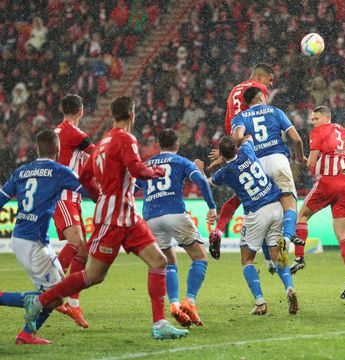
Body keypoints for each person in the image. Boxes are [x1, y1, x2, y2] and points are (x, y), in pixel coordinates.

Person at [23, 96, 188, 340]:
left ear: (112, 115)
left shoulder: (101, 144)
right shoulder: (125, 138)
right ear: (132, 115)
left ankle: (159, 324)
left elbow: (86, 176)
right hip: (113, 218)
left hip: (128, 216)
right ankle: (41, 301)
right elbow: (136, 169)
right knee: (93, 275)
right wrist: (154, 171)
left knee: (158, 261)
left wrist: (99, 195)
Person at [0, 130, 98, 344]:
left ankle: (27, 334)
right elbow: (90, 191)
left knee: (57, 290)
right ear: (58, 149)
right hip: (33, 243)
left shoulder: (21, 171)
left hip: (21, 238)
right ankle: (27, 323)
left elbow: (1, 198)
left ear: (36, 149)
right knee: (55, 296)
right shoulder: (59, 171)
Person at [206, 136, 299, 316]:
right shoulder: (247, 151)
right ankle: (289, 287)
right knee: (277, 255)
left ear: (223, 155)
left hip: (256, 212)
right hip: (275, 205)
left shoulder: (225, 171)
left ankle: (260, 302)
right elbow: (248, 137)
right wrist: (234, 144)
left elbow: (207, 182)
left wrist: (202, 169)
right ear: (235, 149)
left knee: (246, 259)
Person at [291, 106, 345, 300]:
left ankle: (299, 258)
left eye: (316, 118)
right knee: (342, 234)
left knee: (301, 216)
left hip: (329, 181)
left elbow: (311, 164)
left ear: (326, 118)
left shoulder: (319, 131)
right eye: (312, 119)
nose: (313, 122)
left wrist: (302, 159)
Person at [136, 129, 217, 327]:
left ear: (158, 146)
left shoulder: (147, 164)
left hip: (151, 216)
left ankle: (173, 303)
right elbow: (199, 181)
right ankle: (189, 300)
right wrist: (212, 206)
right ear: (177, 145)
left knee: (168, 261)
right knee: (199, 256)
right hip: (174, 211)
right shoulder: (181, 161)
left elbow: (132, 188)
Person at [208, 63, 276, 272]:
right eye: (270, 80)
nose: (270, 85)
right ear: (261, 77)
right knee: (266, 196)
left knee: (238, 197)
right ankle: (270, 259)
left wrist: (226, 150)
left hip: (234, 146)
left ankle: (218, 231)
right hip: (252, 146)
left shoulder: (234, 89)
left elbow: (230, 118)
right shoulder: (258, 89)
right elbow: (262, 115)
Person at [231, 86, 307, 268]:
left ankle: (269, 261)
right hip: (278, 160)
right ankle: (287, 240)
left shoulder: (240, 117)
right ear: (260, 97)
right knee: (289, 204)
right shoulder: (275, 111)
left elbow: (237, 139)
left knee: (265, 209)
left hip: (257, 164)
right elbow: (296, 139)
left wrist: (247, 142)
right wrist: (299, 156)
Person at [52, 94, 95, 328]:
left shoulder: (58, 132)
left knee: (83, 252)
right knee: (77, 243)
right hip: (63, 195)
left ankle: (74, 305)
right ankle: (51, 288)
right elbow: (98, 154)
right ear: (81, 111)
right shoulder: (74, 133)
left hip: (71, 196)